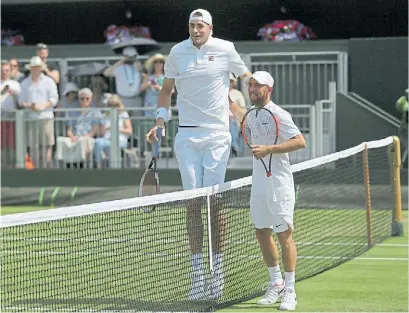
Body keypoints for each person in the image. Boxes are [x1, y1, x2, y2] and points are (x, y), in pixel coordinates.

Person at [146, 8, 251, 300]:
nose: (196, 30)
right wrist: (159, 120)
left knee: (214, 202)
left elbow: (247, 77)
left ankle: (217, 274)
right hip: (187, 136)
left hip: (218, 135)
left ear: (210, 28)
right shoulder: (177, 52)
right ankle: (197, 275)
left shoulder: (227, 50)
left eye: (200, 26)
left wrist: (257, 109)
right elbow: (166, 91)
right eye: (192, 25)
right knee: (193, 203)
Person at [243, 71, 306, 311]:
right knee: (261, 232)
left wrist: (270, 148)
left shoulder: (280, 114)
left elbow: (300, 141)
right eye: (249, 85)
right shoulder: (251, 115)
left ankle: (290, 289)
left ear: (268, 89)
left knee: (284, 235)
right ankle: (276, 282)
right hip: (258, 182)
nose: (251, 89)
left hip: (279, 182)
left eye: (256, 86)